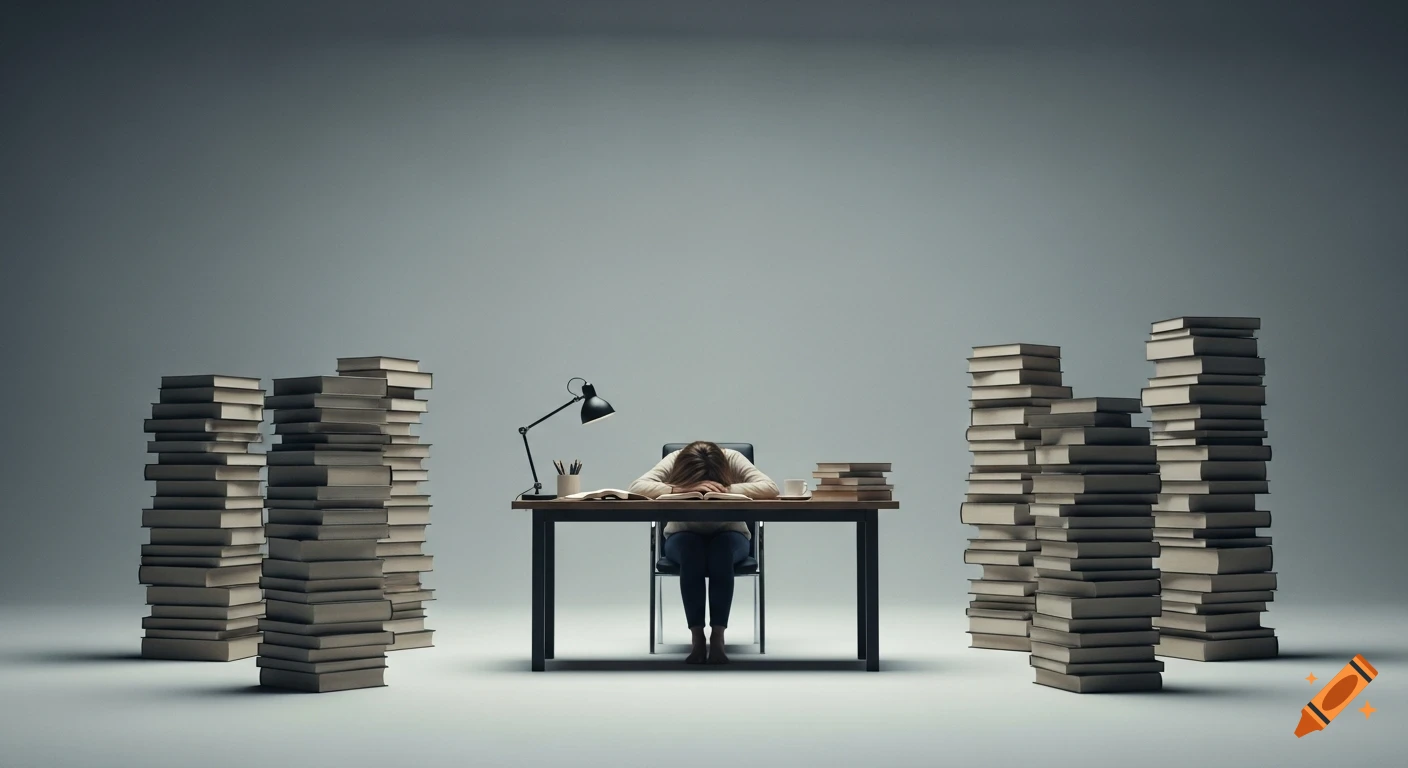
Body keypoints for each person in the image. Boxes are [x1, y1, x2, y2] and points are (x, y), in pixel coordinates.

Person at [629, 441, 779, 665]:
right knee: (692, 551)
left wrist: (726, 489)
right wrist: (677, 488)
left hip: (730, 534)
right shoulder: (676, 458)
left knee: (721, 551)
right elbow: (636, 487)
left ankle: (718, 636)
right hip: (682, 535)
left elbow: (770, 488)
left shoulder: (733, 458)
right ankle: (697, 637)